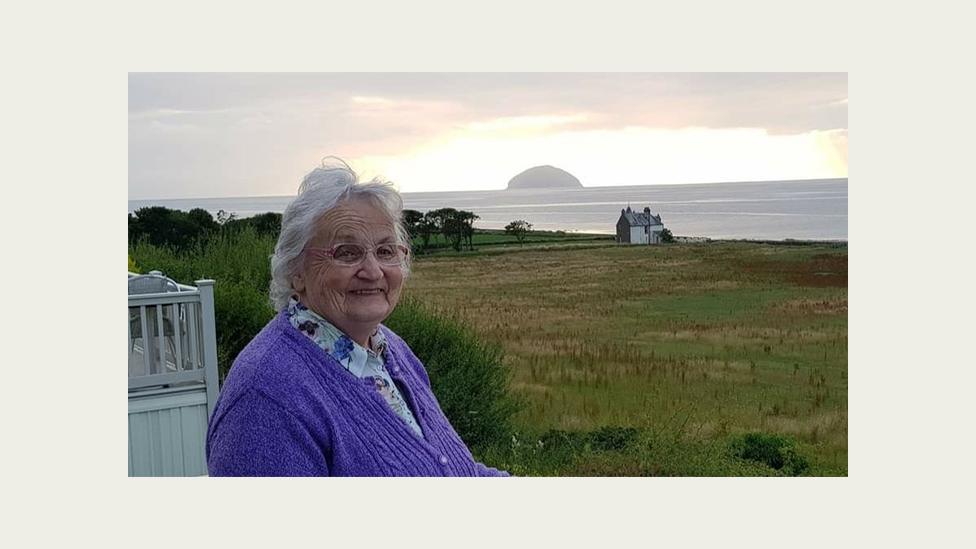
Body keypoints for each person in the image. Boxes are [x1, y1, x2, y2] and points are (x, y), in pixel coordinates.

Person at [206, 159, 508, 476]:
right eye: (347, 253)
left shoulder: (389, 348)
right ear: (296, 272)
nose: (374, 271)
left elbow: (454, 470)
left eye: (386, 251)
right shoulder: (265, 400)